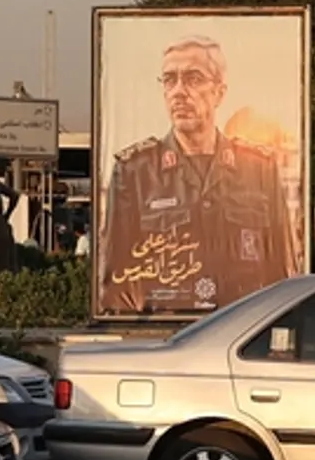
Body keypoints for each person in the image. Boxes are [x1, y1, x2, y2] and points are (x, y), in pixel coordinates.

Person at [99, 35, 297, 315]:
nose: (179, 91)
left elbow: (283, 270)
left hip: (243, 330)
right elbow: (116, 281)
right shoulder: (135, 172)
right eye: (169, 80)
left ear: (219, 92)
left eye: (193, 79)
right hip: (167, 332)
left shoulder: (259, 168)